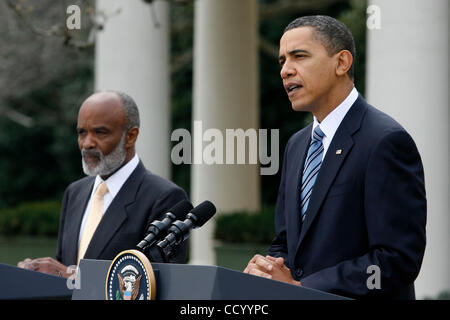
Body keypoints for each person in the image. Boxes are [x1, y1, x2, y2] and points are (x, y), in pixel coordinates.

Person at [244, 15, 426, 299]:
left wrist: (305, 288)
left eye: (299, 56)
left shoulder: (385, 141)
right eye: (282, 61)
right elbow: (286, 242)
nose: (286, 71)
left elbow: (397, 260)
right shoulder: (296, 145)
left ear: (342, 62)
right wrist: (268, 269)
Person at [18, 91, 189, 278]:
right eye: (82, 132)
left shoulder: (166, 198)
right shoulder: (75, 192)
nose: (87, 143)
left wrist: (68, 275)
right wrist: (39, 273)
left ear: (131, 136)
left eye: (100, 132)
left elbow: (157, 284)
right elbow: (65, 265)